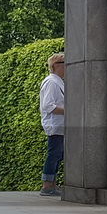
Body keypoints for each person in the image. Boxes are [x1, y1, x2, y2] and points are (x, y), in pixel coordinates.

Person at [39, 52, 65, 196]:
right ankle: (47, 185)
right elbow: (48, 105)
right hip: (55, 125)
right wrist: (69, 111)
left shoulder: (57, 81)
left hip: (59, 125)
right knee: (54, 154)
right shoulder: (52, 82)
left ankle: (51, 184)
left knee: (57, 154)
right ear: (56, 66)